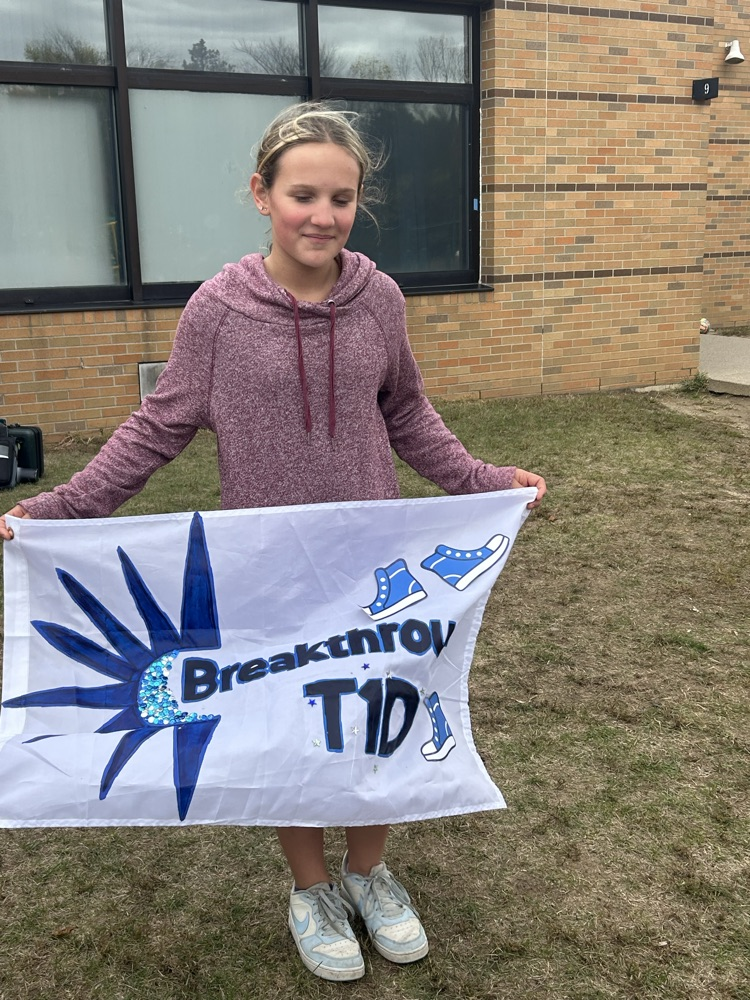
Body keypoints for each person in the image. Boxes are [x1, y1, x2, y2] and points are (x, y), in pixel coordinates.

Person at [0, 102, 546, 982]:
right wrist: (57, 511)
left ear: (357, 203)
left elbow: (407, 412)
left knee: (373, 712)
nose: (322, 215)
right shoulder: (218, 311)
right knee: (287, 725)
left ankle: (368, 873)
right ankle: (311, 888)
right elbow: (157, 427)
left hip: (373, 564)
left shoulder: (381, 300)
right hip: (267, 568)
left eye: (341, 198)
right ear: (262, 195)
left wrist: (484, 480)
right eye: (303, 195)